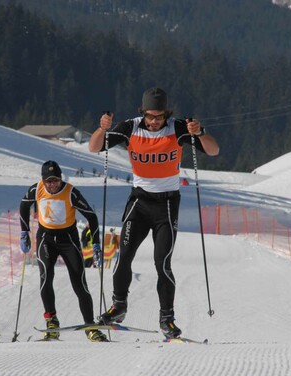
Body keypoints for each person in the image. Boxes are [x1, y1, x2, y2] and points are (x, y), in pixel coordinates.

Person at [88, 87, 220, 338]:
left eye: (159, 117)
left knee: (163, 262)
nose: (154, 121)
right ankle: (118, 306)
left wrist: (200, 133)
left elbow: (213, 151)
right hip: (139, 202)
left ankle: (167, 319)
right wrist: (103, 129)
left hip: (167, 205)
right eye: (150, 116)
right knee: (123, 255)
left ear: (166, 114)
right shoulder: (130, 127)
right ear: (143, 113)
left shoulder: (179, 127)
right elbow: (94, 148)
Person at [19, 160, 108, 342]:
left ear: (60, 180)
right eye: (49, 181)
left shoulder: (71, 192)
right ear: (43, 180)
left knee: (79, 283)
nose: (52, 185)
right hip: (46, 238)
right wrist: (24, 232)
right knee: (45, 279)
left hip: (69, 239)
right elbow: (23, 205)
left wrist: (96, 244)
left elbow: (91, 216)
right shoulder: (36, 189)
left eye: (56, 181)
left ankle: (90, 326)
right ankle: (52, 322)